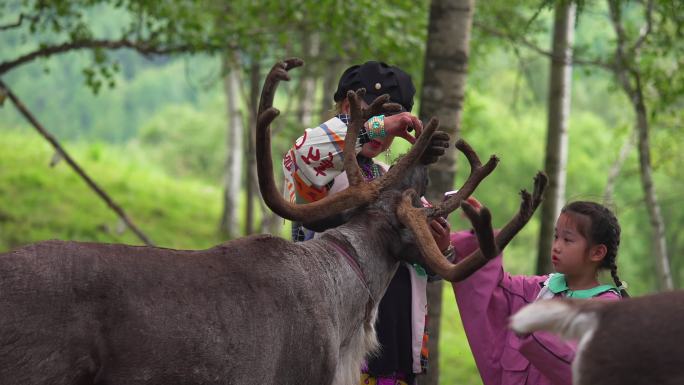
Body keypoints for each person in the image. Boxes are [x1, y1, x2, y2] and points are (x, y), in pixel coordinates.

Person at [281, 61, 452, 385]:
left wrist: (441, 248)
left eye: (392, 118)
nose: (385, 127)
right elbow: (302, 154)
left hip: (395, 348)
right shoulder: (321, 173)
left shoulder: (391, 178)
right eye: (377, 114)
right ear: (347, 108)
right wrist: (377, 127)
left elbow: (433, 263)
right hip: (329, 340)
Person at [449, 200, 628, 385]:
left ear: (597, 252)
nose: (557, 246)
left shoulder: (606, 313)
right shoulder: (535, 291)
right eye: (556, 236)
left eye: (567, 240)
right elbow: (489, 286)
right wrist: (481, 236)